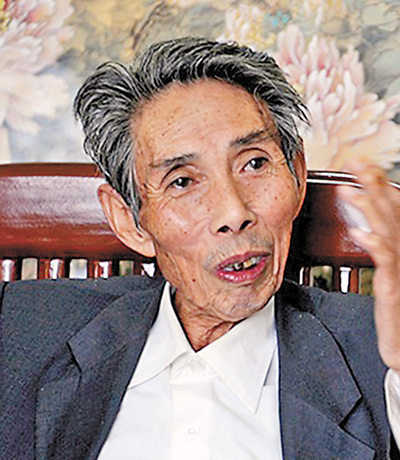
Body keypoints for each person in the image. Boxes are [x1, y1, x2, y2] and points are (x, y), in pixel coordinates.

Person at [1, 37, 400, 460]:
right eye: (182, 181)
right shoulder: (19, 327)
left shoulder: (381, 351)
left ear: (297, 174)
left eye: (255, 162)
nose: (233, 213)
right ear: (129, 220)